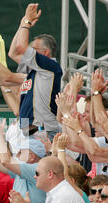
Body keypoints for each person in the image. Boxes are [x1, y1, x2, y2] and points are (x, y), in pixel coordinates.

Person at [8, 3, 63, 140]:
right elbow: (13, 53)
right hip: (30, 132)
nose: (29, 52)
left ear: (45, 53)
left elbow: (21, 47)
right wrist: (23, 23)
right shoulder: (35, 69)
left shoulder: (50, 67)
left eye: (33, 49)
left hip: (42, 132)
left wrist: (27, 21)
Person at [0, 114, 47, 203]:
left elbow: (6, 161)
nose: (17, 155)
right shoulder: (21, 172)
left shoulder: (37, 169)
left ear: (31, 157)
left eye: (20, 152)